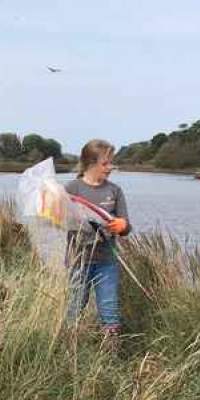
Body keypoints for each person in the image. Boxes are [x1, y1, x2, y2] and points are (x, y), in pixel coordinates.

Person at [64, 139, 131, 340]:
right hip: (78, 261)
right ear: (90, 163)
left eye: (111, 163)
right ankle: (68, 351)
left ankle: (110, 357)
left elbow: (126, 226)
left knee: (109, 312)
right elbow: (59, 223)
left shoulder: (115, 191)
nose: (110, 168)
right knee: (74, 309)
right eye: (105, 163)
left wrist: (123, 226)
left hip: (106, 262)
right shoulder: (71, 189)